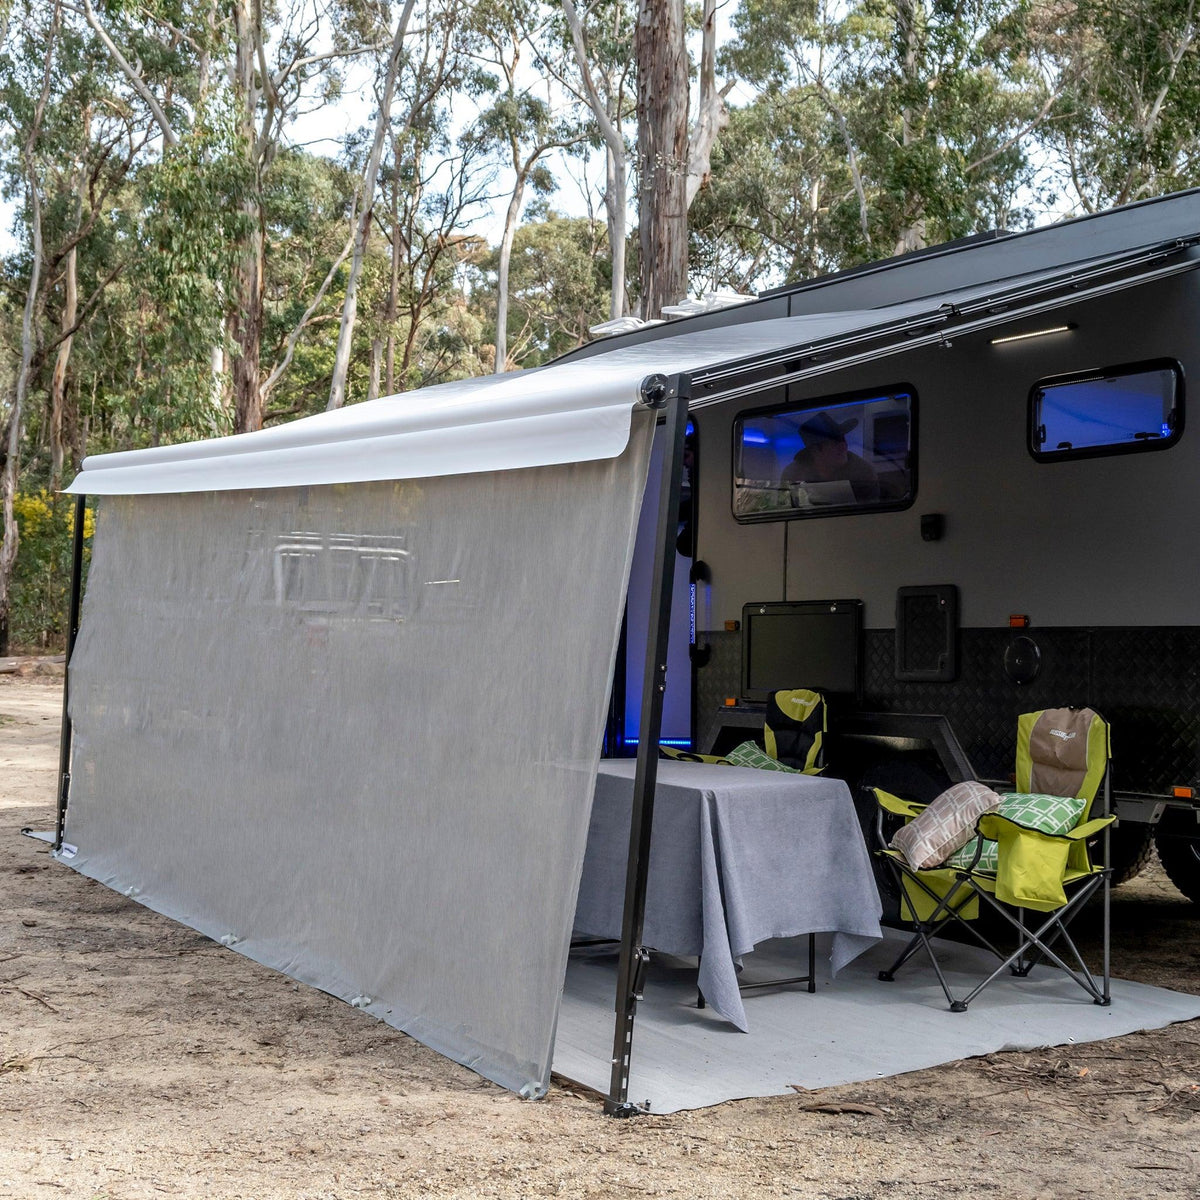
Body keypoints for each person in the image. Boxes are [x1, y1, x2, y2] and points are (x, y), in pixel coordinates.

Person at [780, 410, 879, 503]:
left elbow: (872, 512)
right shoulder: (793, 474)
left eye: (843, 439)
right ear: (815, 451)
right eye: (835, 442)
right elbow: (784, 505)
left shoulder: (863, 473)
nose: (843, 446)